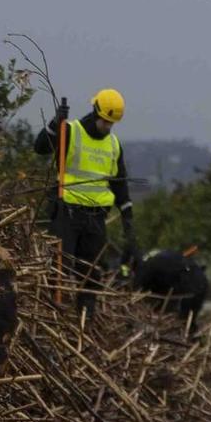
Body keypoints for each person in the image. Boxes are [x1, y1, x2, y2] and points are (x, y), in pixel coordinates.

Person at [34, 88, 134, 320]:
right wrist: (54, 123)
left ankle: (85, 320)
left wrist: (128, 214)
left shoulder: (113, 145)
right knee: (60, 268)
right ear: (95, 111)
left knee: (91, 273)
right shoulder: (70, 131)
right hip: (67, 214)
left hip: (96, 219)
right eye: (105, 121)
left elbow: (120, 183)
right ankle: (52, 317)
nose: (107, 126)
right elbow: (40, 147)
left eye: (111, 123)